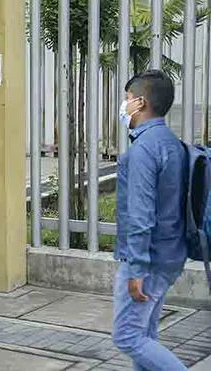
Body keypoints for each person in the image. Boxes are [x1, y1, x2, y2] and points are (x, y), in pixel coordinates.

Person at [113, 70, 188, 371]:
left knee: (128, 337)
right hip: (170, 253)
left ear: (141, 102)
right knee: (146, 335)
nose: (125, 104)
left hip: (150, 259)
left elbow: (141, 216)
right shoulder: (170, 142)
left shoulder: (144, 149)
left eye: (127, 98)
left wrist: (136, 269)